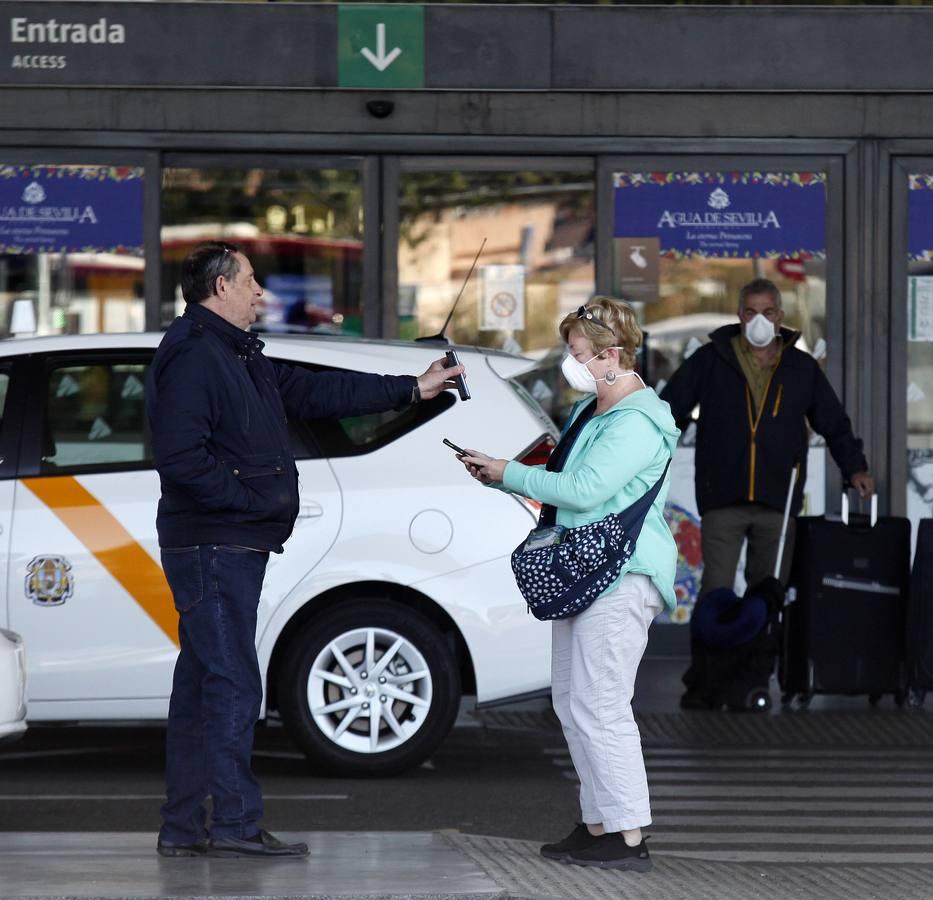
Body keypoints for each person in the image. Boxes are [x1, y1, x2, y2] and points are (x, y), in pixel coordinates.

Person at [146, 241, 463, 859]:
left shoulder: (236, 355)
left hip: (229, 540)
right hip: (214, 542)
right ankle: (234, 825)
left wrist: (414, 388)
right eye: (252, 281)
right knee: (234, 681)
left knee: (202, 685)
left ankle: (184, 827)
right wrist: (248, 502)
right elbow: (181, 458)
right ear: (220, 289)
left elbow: (319, 394)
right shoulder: (192, 354)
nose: (261, 292)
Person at [459, 297, 679, 873]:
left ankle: (629, 838)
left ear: (610, 355)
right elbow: (563, 484)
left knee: (602, 705)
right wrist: (502, 475)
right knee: (573, 702)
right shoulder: (593, 411)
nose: (570, 361)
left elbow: (582, 489)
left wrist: (507, 471)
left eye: (577, 352)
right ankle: (598, 822)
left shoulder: (637, 419)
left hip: (622, 572)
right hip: (586, 570)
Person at [660, 278, 874, 600]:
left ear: (780, 316)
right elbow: (667, 413)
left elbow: (834, 423)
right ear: (739, 315)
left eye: (768, 311)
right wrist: (641, 463)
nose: (760, 320)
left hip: (778, 497)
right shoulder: (710, 360)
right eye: (751, 312)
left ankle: (762, 653)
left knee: (768, 596)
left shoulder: (801, 368)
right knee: (715, 594)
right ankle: (713, 653)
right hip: (721, 496)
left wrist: (855, 468)